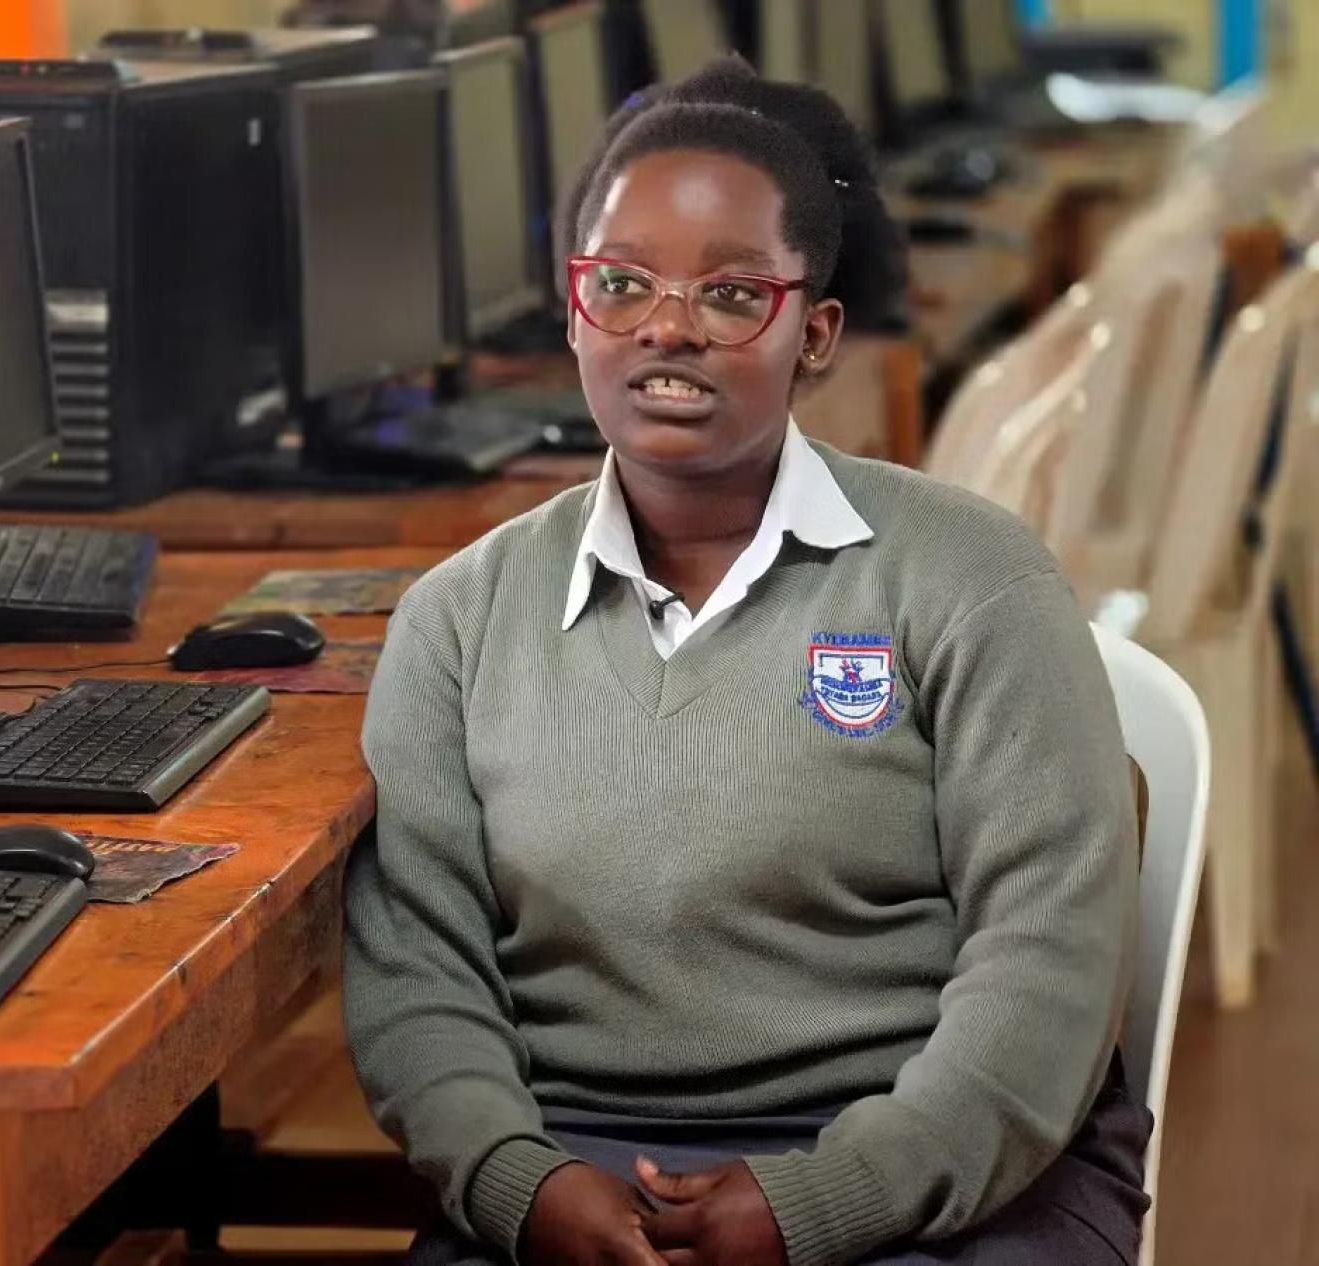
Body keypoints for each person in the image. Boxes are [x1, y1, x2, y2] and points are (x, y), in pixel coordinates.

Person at [343, 55, 1150, 1266]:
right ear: (572, 312)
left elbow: (1050, 963)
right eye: (621, 284)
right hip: (580, 1166)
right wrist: (521, 1184)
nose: (667, 326)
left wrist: (820, 1200)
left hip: (943, 1155)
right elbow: (417, 974)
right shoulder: (458, 622)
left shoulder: (970, 579)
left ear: (813, 334)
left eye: (731, 296)